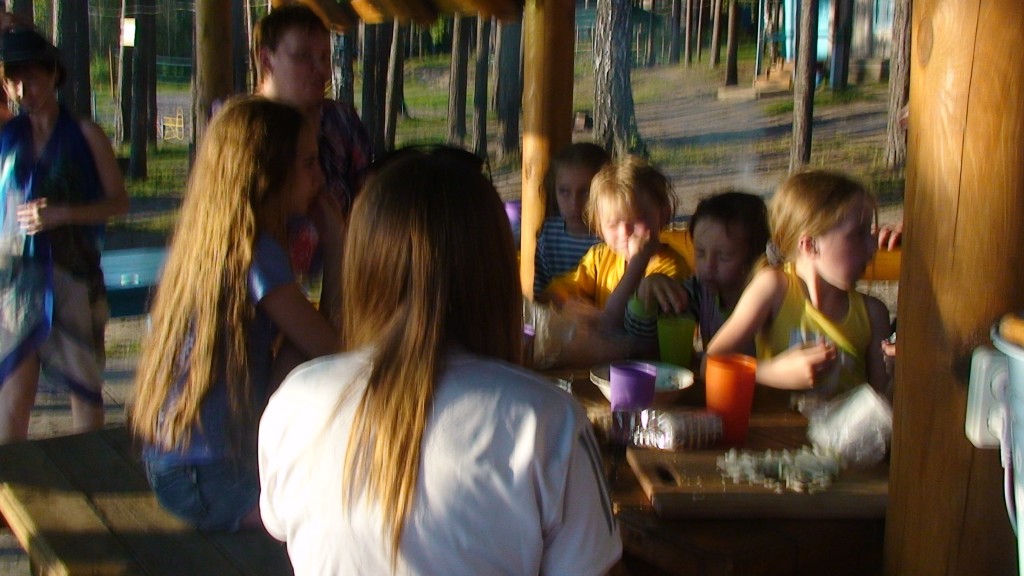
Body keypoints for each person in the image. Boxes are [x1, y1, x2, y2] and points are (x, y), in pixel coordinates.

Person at [258, 146, 622, 575]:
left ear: (363, 266)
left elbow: (282, 525)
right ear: (495, 271)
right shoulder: (549, 421)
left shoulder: (294, 402)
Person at [130, 97, 342, 531]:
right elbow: (331, 347)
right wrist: (338, 248)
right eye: (307, 163)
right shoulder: (255, 251)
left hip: (175, 466)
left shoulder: (214, 239)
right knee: (337, 520)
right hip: (210, 478)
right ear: (266, 174)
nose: (319, 177)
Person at [0, 27, 129, 443]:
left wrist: (63, 214)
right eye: (13, 80)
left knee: (84, 394)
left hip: (74, 280)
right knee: (12, 397)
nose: (24, 90)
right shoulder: (6, 139)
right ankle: (11, 480)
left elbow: (118, 202)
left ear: (54, 75)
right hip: (16, 283)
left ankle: (90, 472)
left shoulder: (85, 135)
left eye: (32, 78)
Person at [706, 170, 892, 398]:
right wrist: (770, 373)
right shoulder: (775, 288)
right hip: (776, 423)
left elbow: (881, 405)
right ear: (809, 245)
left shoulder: (873, 315)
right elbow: (711, 363)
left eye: (870, 233)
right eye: (858, 234)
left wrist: (898, 374)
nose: (872, 247)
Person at [253, 4, 371, 281]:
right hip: (263, 288)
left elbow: (368, 203)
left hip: (345, 278)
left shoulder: (342, 123)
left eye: (325, 57)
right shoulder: (242, 131)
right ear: (267, 60)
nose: (322, 71)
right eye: (304, 56)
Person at [540, 155, 691, 331]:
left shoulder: (669, 271)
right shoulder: (600, 257)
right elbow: (552, 295)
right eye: (612, 224)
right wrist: (571, 306)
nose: (624, 232)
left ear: (663, 214)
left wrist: (638, 262)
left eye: (636, 219)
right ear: (598, 226)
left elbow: (615, 322)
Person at [625, 191, 770, 359]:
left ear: (755, 255)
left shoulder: (771, 296)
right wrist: (645, 297)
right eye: (700, 253)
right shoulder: (700, 290)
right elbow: (643, 340)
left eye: (723, 256)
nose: (709, 265)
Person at [533, 142, 609, 297]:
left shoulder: (611, 237)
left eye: (585, 192)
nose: (574, 203)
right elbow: (540, 292)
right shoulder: (548, 234)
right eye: (564, 191)